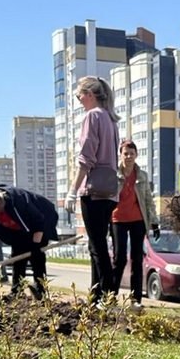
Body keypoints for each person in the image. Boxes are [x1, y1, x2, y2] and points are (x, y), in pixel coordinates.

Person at [65, 76, 120, 304]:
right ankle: (96, 297)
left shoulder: (92, 116)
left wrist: (72, 190)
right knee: (95, 245)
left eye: (78, 94)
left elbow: (86, 158)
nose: (78, 99)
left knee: (97, 247)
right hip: (110, 191)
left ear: (89, 94)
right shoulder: (110, 119)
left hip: (93, 190)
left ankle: (107, 298)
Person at [0, 183, 59, 299]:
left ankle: (40, 291)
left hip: (43, 218)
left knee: (36, 257)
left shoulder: (18, 201)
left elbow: (38, 222)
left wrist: (36, 245)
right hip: (19, 230)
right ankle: (16, 291)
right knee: (18, 255)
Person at [111, 140, 159, 307]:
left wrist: (154, 222)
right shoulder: (114, 175)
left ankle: (135, 300)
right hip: (118, 220)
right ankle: (111, 298)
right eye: (125, 153)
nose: (129, 157)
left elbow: (148, 200)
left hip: (137, 220)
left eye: (132, 154)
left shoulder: (142, 176)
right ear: (120, 155)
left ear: (136, 155)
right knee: (119, 259)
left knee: (137, 260)